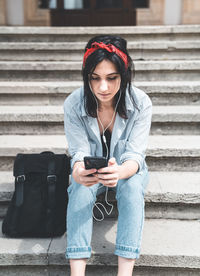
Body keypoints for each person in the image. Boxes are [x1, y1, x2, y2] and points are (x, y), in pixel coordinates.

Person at [64, 35, 152, 276]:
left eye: (111, 78)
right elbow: (79, 151)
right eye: (95, 78)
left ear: (124, 75)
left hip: (127, 169)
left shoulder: (141, 103)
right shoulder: (74, 104)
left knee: (133, 187)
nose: (103, 87)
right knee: (80, 187)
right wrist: (78, 171)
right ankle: (77, 271)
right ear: (87, 77)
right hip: (91, 171)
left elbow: (135, 154)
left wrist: (121, 172)